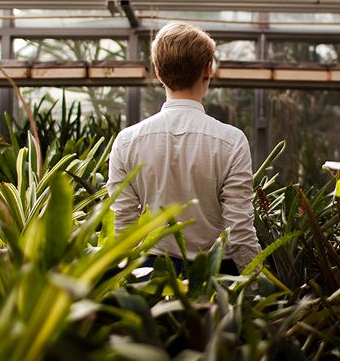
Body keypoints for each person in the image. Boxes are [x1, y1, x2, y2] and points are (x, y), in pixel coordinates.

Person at [106, 21, 262, 275]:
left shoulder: (127, 141)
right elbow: (240, 229)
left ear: (158, 73)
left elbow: (124, 225)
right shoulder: (231, 141)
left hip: (152, 277)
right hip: (216, 277)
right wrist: (255, 285)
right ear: (207, 69)